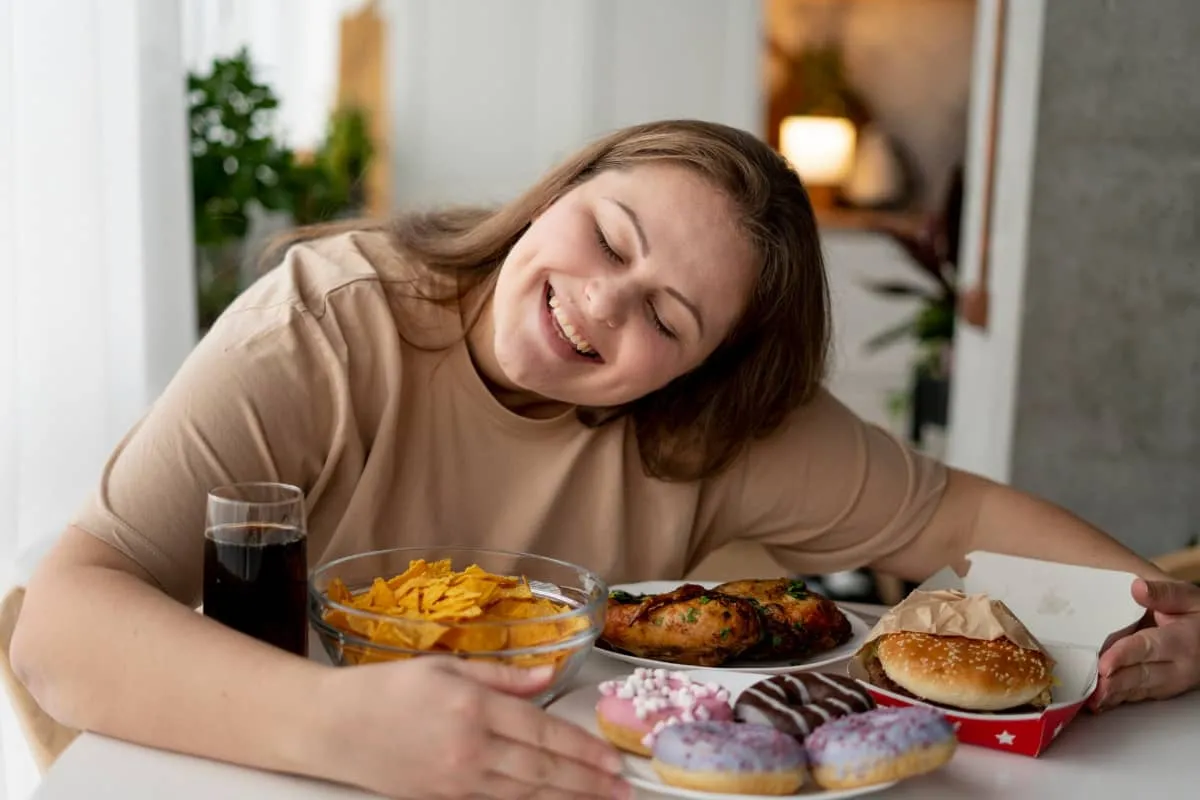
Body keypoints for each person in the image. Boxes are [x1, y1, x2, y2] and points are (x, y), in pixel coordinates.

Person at [11, 119, 1199, 799]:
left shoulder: (722, 426)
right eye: (608, 235)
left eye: (669, 320)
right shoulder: (328, 323)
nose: (600, 303)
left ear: (697, 373)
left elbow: (957, 511)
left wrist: (1163, 610)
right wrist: (340, 724)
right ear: (557, 193)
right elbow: (57, 625)